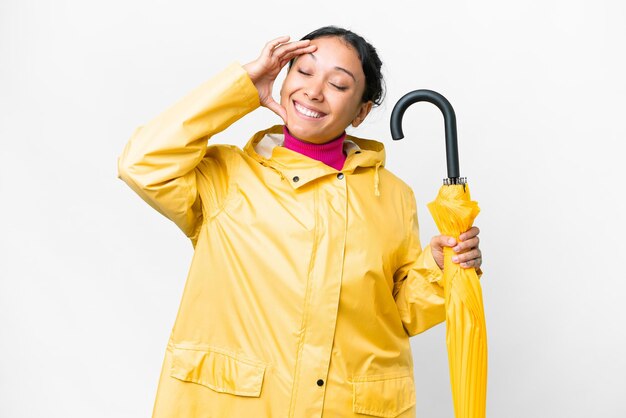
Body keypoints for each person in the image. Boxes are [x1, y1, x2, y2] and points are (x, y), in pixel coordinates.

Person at [118, 26, 482, 418]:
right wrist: (241, 88)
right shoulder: (225, 176)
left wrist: (438, 268)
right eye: (304, 72)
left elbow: (400, 315)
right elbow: (142, 163)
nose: (313, 91)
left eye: (339, 84)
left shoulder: (393, 196)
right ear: (284, 79)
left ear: (361, 111)